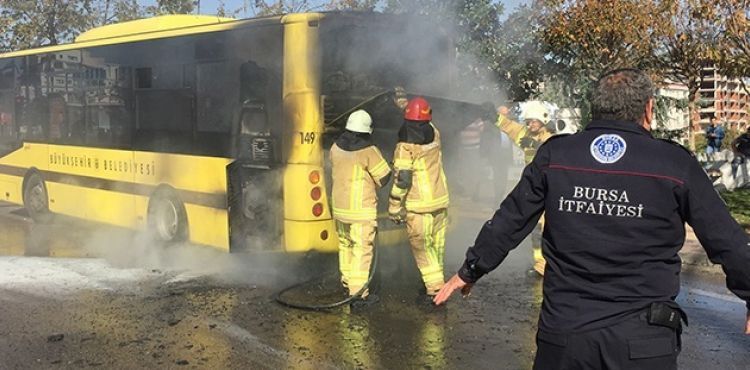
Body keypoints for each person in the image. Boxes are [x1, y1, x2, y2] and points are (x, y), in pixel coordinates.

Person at [434, 68, 750, 369]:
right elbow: (725, 239)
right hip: (642, 343)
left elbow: (510, 219)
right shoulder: (673, 163)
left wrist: (472, 268)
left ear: (595, 108)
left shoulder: (556, 155)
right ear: (649, 110)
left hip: (564, 337)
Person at [389, 97, 450, 303]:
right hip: (440, 201)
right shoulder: (435, 134)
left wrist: (394, 206)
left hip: (419, 206)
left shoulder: (405, 147)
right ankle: (436, 284)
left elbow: (403, 180)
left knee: (422, 247)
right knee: (436, 246)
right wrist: (404, 106)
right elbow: (422, 120)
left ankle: (434, 290)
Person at [331, 110, 391, 304]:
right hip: (360, 212)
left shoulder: (335, 148)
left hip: (340, 209)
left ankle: (348, 284)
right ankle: (358, 296)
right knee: (361, 250)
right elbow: (383, 177)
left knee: (346, 245)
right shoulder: (368, 151)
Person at [495, 102, 554, 276]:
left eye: (533, 122)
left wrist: (536, 146)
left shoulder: (551, 137)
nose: (530, 125)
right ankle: (540, 264)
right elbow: (508, 126)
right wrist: (492, 115)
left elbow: (551, 151)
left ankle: (549, 264)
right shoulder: (525, 133)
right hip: (534, 188)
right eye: (528, 122)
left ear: (543, 120)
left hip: (549, 188)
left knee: (548, 228)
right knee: (535, 228)